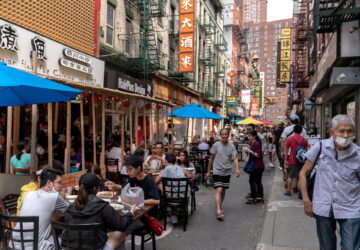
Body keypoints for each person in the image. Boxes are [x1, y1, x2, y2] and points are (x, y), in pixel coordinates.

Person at [299, 114, 360, 250]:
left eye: (349, 131)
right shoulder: (320, 147)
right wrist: (306, 200)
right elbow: (303, 173)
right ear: (332, 132)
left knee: (351, 247)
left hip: (351, 207)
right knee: (326, 247)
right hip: (323, 206)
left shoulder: (358, 154)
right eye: (341, 131)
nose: (345, 135)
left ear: (354, 132)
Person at [64, 173, 136, 250]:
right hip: (95, 247)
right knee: (120, 232)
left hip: (69, 248)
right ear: (95, 188)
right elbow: (121, 224)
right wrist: (130, 213)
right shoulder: (101, 205)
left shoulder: (70, 206)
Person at [14, 168, 68, 249]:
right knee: (66, 243)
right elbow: (72, 210)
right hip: (36, 247)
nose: (60, 185)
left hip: (15, 244)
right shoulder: (54, 196)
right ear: (49, 183)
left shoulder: (28, 194)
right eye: (58, 183)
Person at [205, 128, 240, 220]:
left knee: (223, 190)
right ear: (220, 135)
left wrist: (237, 169)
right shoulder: (216, 145)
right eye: (222, 134)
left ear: (228, 135)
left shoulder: (232, 146)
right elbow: (211, 158)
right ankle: (218, 210)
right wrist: (209, 171)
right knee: (219, 189)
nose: (224, 136)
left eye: (226, 134)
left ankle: (220, 205)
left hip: (227, 171)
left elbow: (235, 158)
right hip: (217, 170)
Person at [280, 115, 308, 188]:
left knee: (288, 170)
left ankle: (288, 185)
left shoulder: (286, 129)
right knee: (298, 171)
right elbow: (306, 142)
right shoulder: (303, 130)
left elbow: (283, 141)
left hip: (289, 153)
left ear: (290, 121)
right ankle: (295, 186)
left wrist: (282, 152)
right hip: (300, 155)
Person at [284, 124, 308, 196]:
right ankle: (298, 191)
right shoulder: (304, 140)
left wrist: (285, 159)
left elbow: (286, 150)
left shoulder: (290, 139)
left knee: (290, 176)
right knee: (299, 176)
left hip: (292, 159)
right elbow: (306, 150)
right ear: (301, 131)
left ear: (294, 130)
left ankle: (288, 191)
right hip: (301, 160)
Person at [243, 131, 265, 204]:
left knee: (252, 181)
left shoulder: (257, 144)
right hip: (257, 166)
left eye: (250, 136)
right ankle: (260, 197)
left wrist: (249, 151)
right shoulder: (253, 143)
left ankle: (253, 197)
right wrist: (248, 157)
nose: (248, 137)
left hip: (257, 166)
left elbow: (258, 155)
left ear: (254, 136)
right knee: (257, 181)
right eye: (248, 136)